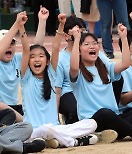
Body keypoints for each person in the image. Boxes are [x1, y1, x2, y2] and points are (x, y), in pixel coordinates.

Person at [69, 24, 132, 141]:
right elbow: (74, 67)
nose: (92, 46)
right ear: (79, 51)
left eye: (95, 43)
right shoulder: (78, 72)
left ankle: (109, 134)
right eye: (87, 44)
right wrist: (76, 39)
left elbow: (125, 64)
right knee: (104, 113)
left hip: (114, 118)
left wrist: (123, 37)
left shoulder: (104, 68)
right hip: (92, 121)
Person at [20, 12, 98, 148]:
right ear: (28, 61)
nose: (37, 60)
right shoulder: (26, 77)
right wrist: (21, 26)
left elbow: (55, 48)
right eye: (32, 57)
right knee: (45, 129)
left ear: (48, 61)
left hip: (56, 128)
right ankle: (73, 141)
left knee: (91, 123)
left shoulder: (51, 74)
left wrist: (61, 25)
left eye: (41, 56)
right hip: (34, 131)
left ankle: (56, 141)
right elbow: (26, 49)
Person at [55, 15, 123, 125]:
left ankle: (113, 115)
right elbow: (57, 91)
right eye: (77, 32)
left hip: (91, 91)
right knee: (73, 104)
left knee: (118, 79)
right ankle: (72, 122)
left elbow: (111, 69)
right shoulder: (61, 59)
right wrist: (55, 119)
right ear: (67, 36)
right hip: (70, 92)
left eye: (83, 31)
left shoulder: (96, 54)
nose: (81, 35)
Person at [0, 6, 49, 122]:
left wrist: (42, 21)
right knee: (17, 118)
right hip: (2, 109)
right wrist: (17, 24)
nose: (9, 46)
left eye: (12, 43)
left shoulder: (16, 60)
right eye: (6, 43)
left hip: (14, 107)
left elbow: (37, 47)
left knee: (35, 112)